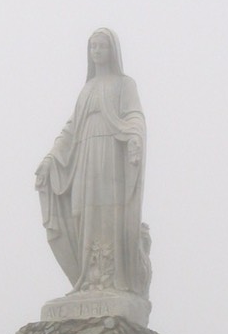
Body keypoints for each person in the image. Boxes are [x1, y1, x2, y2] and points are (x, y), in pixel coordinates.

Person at [35, 27, 151, 298]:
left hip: (111, 156)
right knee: (82, 214)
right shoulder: (86, 89)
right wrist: (51, 157)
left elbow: (135, 117)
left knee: (109, 215)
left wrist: (134, 137)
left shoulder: (124, 84)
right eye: (93, 47)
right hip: (85, 156)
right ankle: (88, 278)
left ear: (112, 51)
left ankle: (113, 279)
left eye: (102, 46)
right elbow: (70, 129)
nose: (97, 51)